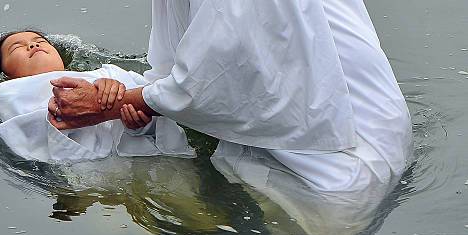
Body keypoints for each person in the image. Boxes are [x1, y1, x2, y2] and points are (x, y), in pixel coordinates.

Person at [48, 0, 412, 195]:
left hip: (340, 163)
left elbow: (216, 76)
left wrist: (107, 105)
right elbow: (180, 68)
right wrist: (142, 104)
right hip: (376, 125)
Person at [0, 30, 194, 163]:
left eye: (39, 41)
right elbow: (28, 139)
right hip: (91, 181)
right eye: (17, 48)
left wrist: (136, 119)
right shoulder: (9, 92)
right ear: (5, 73)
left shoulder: (110, 74)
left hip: (152, 161)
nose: (33, 46)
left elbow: (162, 103)